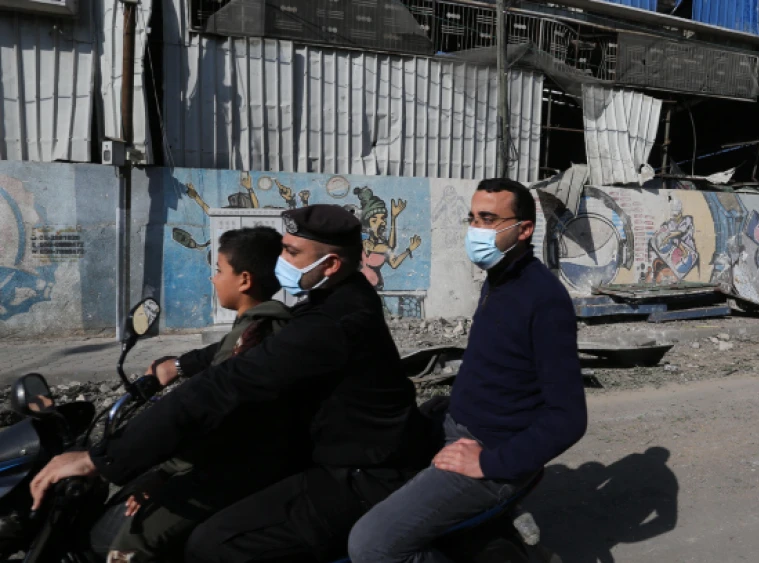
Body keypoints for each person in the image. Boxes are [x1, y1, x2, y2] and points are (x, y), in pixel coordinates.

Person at [30, 204, 430, 562]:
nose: (281, 260)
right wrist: (177, 365)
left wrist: (101, 459)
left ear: (329, 265)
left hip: (361, 475)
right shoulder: (339, 298)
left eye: (291, 252)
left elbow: (225, 385)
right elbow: (232, 351)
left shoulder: (331, 325)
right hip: (339, 454)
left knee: (215, 544)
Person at [348, 178, 588, 563]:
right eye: (472, 218)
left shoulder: (544, 299)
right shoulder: (499, 279)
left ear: (524, 229)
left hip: (489, 451)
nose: (476, 229)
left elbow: (569, 418)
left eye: (489, 219)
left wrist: (488, 463)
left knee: (371, 546)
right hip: (456, 428)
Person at [104, 226, 298, 562]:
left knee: (133, 538)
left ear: (244, 280)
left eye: (220, 270)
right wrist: (174, 367)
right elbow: (211, 355)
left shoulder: (250, 338)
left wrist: (162, 472)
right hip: (256, 459)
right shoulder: (268, 326)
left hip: (235, 468)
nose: (214, 279)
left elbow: (211, 422)